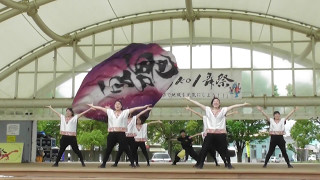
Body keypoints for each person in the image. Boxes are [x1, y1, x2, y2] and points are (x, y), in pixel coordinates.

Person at [185, 96, 249, 169]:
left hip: (220, 134)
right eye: (214, 101)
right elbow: (199, 104)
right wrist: (190, 99)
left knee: (224, 149)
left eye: (217, 101)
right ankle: (200, 164)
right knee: (204, 148)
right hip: (210, 133)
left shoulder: (223, 110)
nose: (216, 102)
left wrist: (243, 104)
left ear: (219, 103)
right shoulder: (208, 109)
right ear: (212, 103)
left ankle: (229, 164)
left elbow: (233, 106)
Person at [88, 101, 150, 168]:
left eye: (119, 104)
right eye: (116, 104)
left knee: (126, 149)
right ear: (114, 106)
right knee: (108, 149)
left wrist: (144, 107)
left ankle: (132, 163)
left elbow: (135, 108)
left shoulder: (125, 112)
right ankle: (103, 164)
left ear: (121, 106)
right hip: (112, 134)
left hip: (121, 134)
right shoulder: (110, 112)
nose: (117, 105)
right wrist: (93, 106)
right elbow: (100, 108)